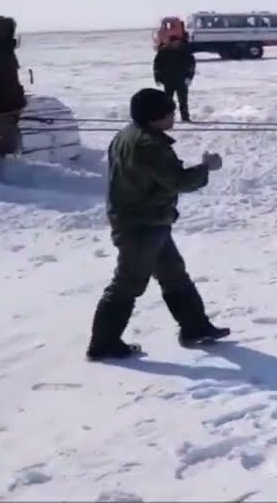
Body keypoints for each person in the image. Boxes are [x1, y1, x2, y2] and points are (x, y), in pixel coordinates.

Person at [85, 88, 229, 361]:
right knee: (127, 283)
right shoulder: (149, 145)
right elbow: (178, 181)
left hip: (149, 220)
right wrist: (206, 167)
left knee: (174, 275)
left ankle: (195, 328)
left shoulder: (128, 134)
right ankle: (103, 345)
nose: (174, 115)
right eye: (170, 111)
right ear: (156, 116)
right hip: (140, 224)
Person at [153, 35, 196, 122]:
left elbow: (191, 65)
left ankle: (185, 117)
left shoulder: (184, 51)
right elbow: (157, 66)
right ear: (170, 43)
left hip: (181, 81)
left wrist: (189, 77)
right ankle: (167, 118)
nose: (176, 44)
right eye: (174, 42)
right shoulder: (163, 52)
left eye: (177, 42)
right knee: (167, 101)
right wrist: (157, 78)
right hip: (168, 80)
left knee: (183, 101)